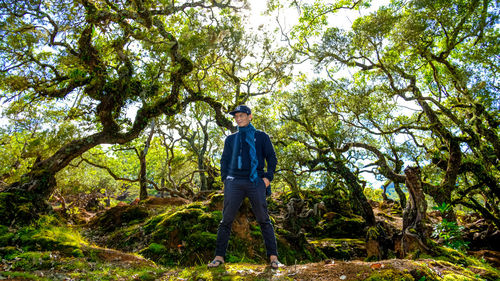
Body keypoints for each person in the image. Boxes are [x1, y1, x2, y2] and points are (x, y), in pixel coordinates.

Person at [208, 105, 281, 269]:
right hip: (234, 181)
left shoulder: (261, 136)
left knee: (264, 220)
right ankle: (219, 257)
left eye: (242, 115)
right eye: (236, 116)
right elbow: (224, 160)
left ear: (250, 116)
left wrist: (268, 178)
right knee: (226, 220)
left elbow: (272, 157)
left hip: (256, 180)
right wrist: (226, 179)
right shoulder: (231, 139)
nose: (238, 118)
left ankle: (273, 258)